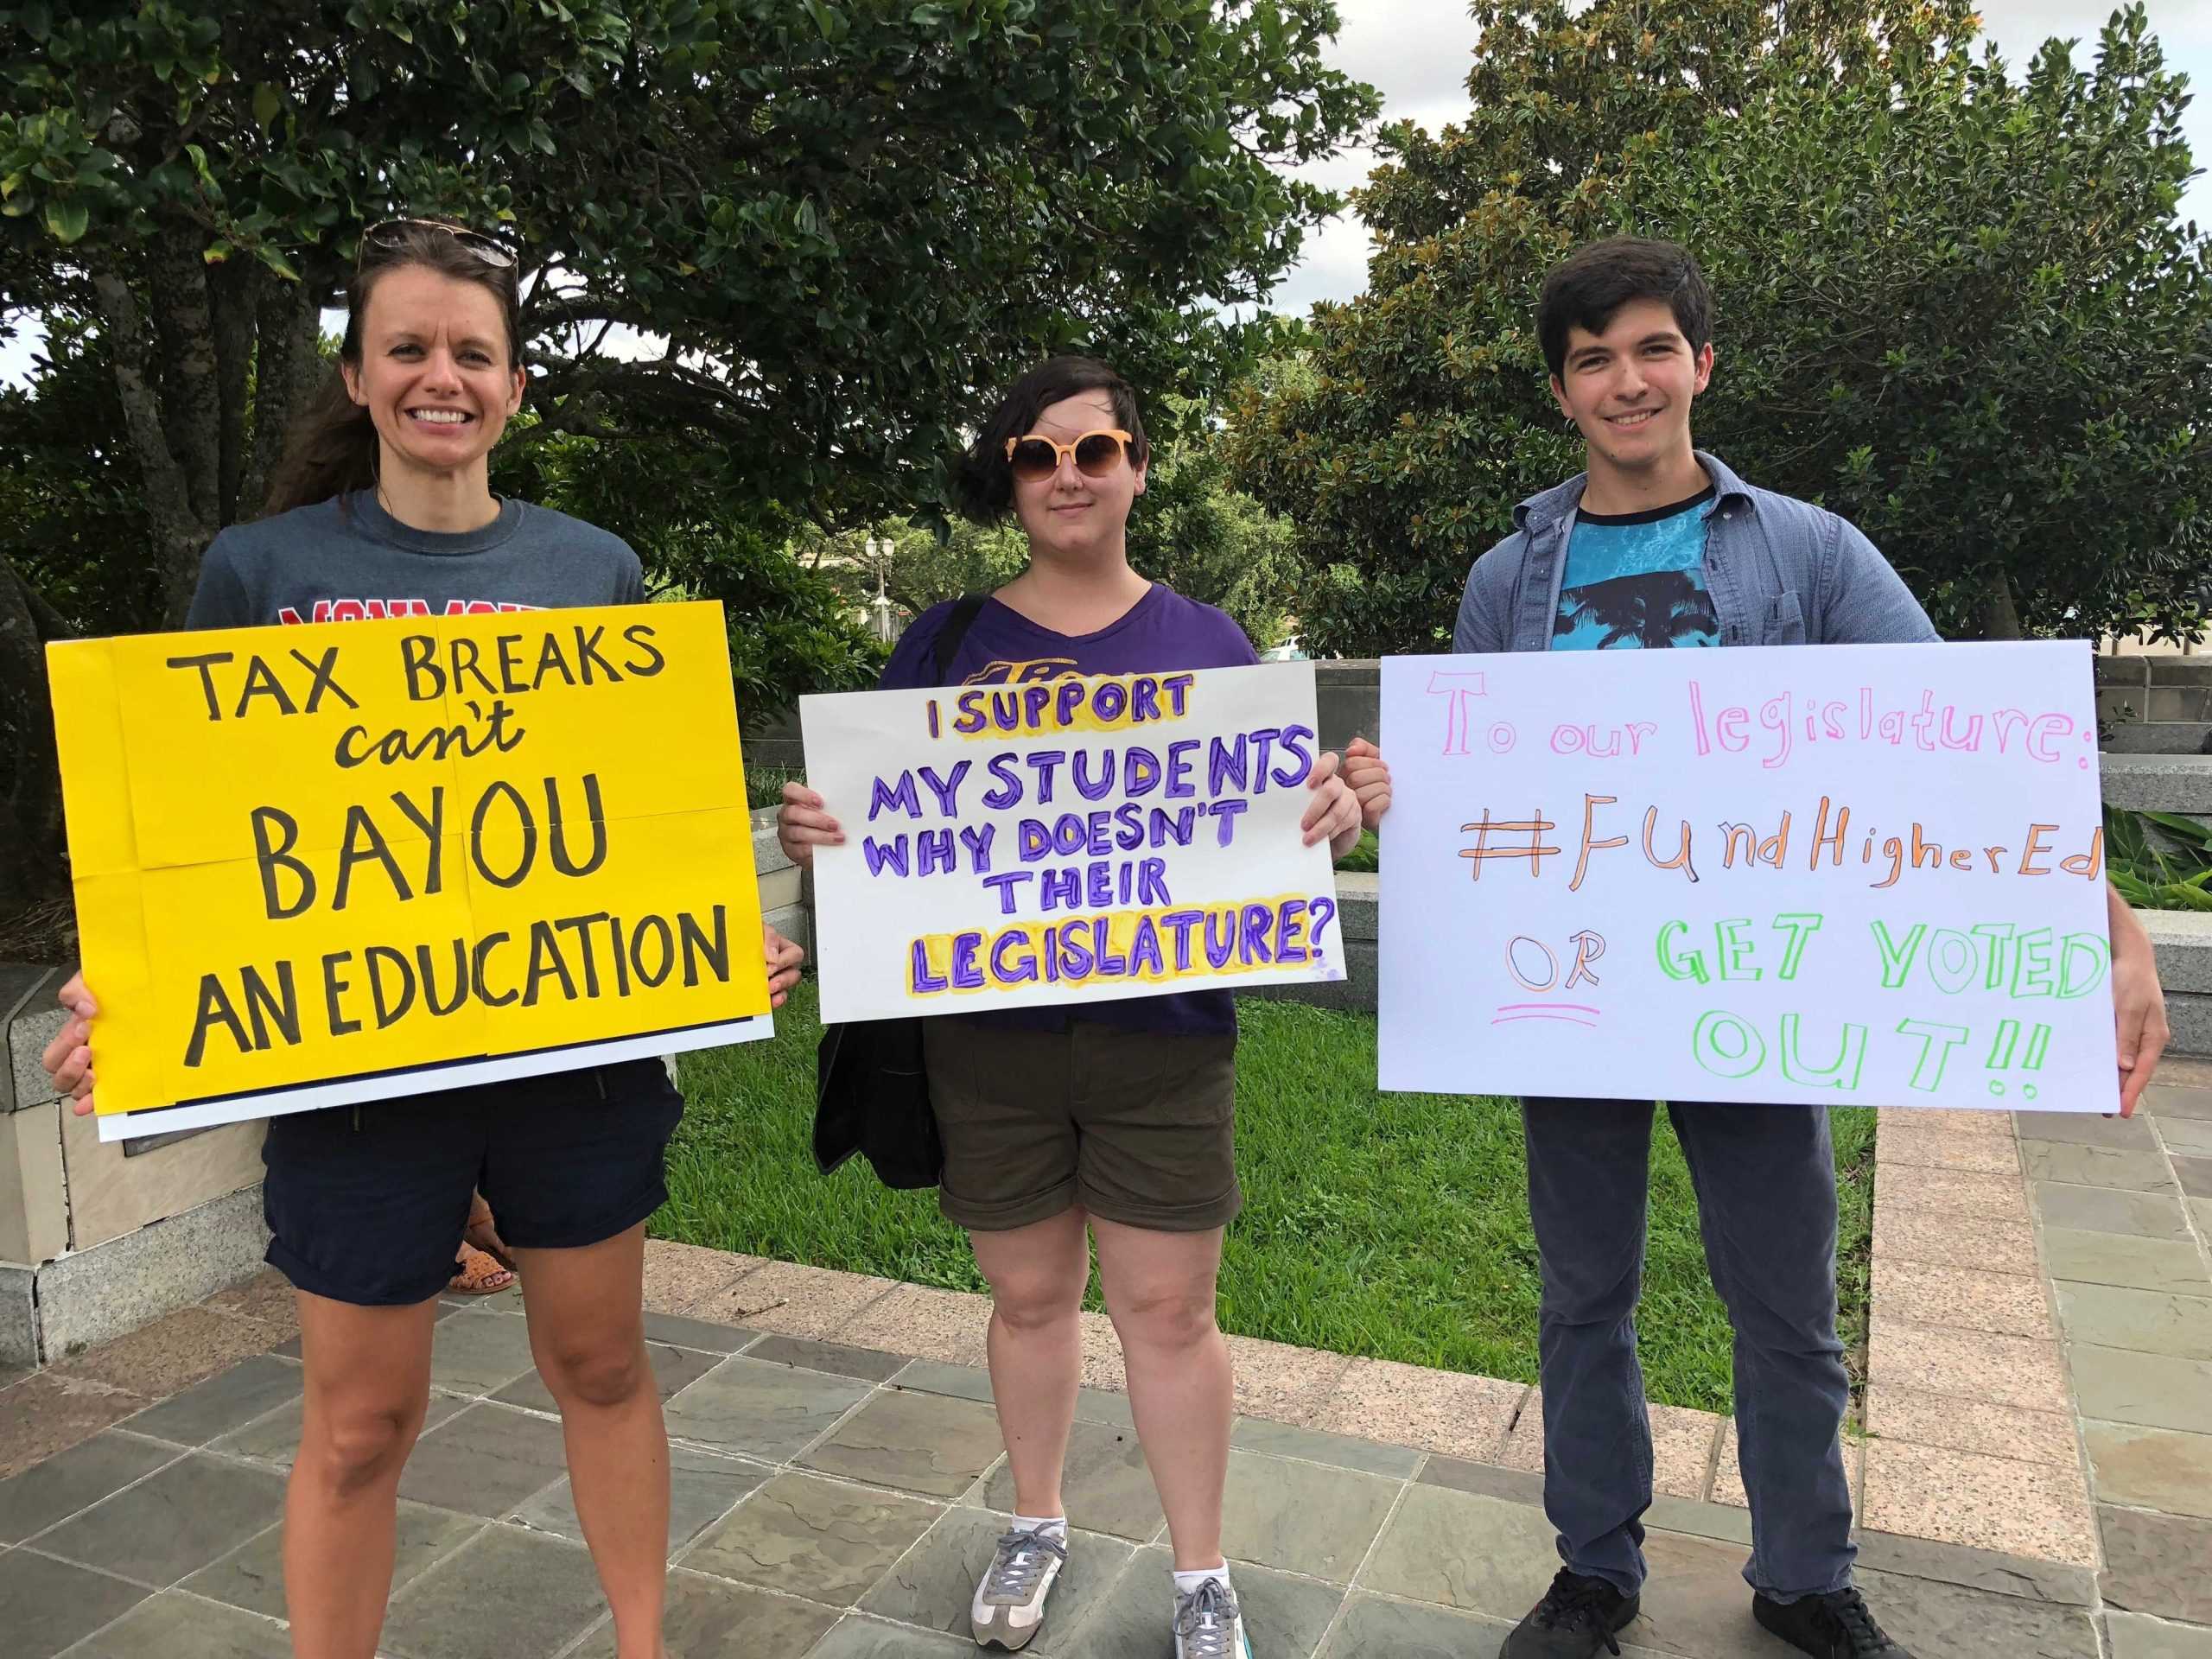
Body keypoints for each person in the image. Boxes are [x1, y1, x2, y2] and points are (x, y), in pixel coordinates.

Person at [1342, 236, 2171, 1659]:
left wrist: (2115, 927)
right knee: (1581, 1299)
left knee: (1787, 1306)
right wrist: (1386, 795)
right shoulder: (1509, 579)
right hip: (1577, 996)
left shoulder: (1809, 551)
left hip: (1762, 995)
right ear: (1563, 392)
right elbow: (1472, 790)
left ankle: (1802, 1575)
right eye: (1593, 359)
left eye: (1653, 348)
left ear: (1701, 364)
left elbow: (1971, 751)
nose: (1627, 379)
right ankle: (1594, 1569)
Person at [39, 216, 806, 1659]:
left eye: (472, 352)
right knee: (356, 1424)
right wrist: (129, 989)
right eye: (409, 348)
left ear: (515, 386)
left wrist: (717, 947)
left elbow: (634, 819)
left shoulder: (596, 569)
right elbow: (195, 827)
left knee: (600, 1362)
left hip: (571, 1064)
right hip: (349, 1076)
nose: (439, 376)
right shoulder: (258, 573)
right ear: (356, 376)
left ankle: (645, 1645)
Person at [779, 357, 1376, 1658]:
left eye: (1093, 451)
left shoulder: (1211, 645)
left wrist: (1337, 808)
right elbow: (880, 837)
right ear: (1009, 476)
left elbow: (1268, 833)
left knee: (1170, 1311)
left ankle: (1200, 1571)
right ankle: (1036, 1521)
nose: (1065, 475)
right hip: (984, 1046)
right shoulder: (942, 642)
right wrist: (819, 828)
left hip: (1163, 1043)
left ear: (1137, 469)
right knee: (1030, 1296)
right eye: (1036, 455)